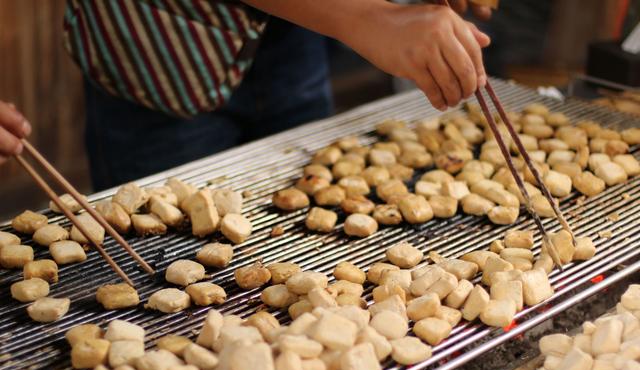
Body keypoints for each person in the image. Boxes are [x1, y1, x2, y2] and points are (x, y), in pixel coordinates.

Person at [0, 0, 491, 188]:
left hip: (298, 28)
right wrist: (369, 19)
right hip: (160, 47)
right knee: (169, 270)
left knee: (304, 226)